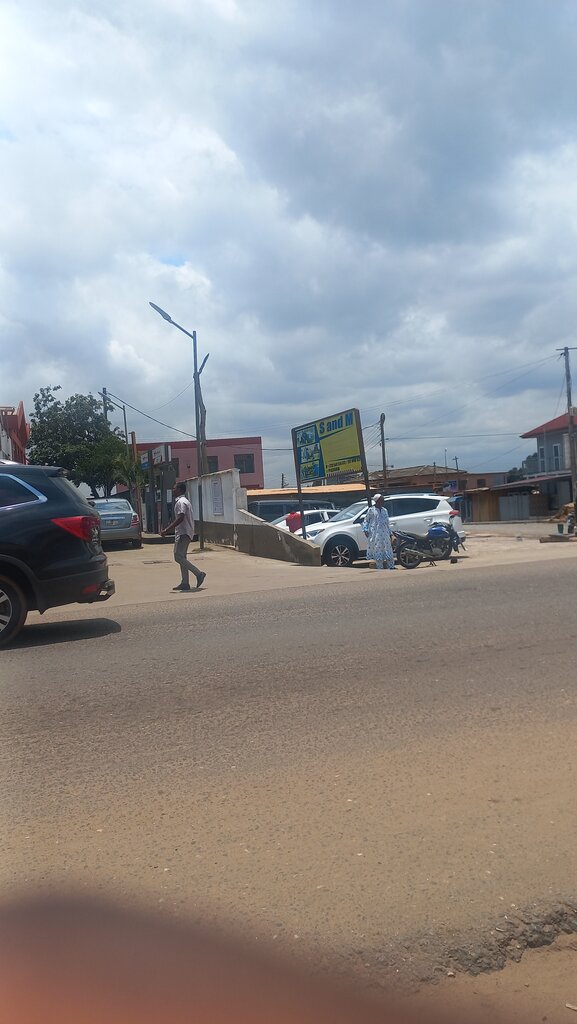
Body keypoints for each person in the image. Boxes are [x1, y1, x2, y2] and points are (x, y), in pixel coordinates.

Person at [161, 482, 206, 591]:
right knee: (182, 557)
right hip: (185, 532)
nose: (173, 490)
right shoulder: (184, 501)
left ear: (180, 490)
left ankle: (198, 573)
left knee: (178, 557)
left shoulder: (181, 502)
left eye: (174, 488)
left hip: (183, 533)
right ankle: (185, 583)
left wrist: (167, 530)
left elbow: (180, 518)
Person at [363, 493, 395, 570]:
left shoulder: (385, 510)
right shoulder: (371, 510)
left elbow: (387, 523)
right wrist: (365, 530)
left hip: (385, 534)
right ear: (377, 501)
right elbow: (366, 521)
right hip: (376, 534)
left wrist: (390, 534)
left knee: (388, 549)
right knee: (378, 549)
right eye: (381, 500)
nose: (383, 501)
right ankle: (379, 567)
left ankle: (391, 566)